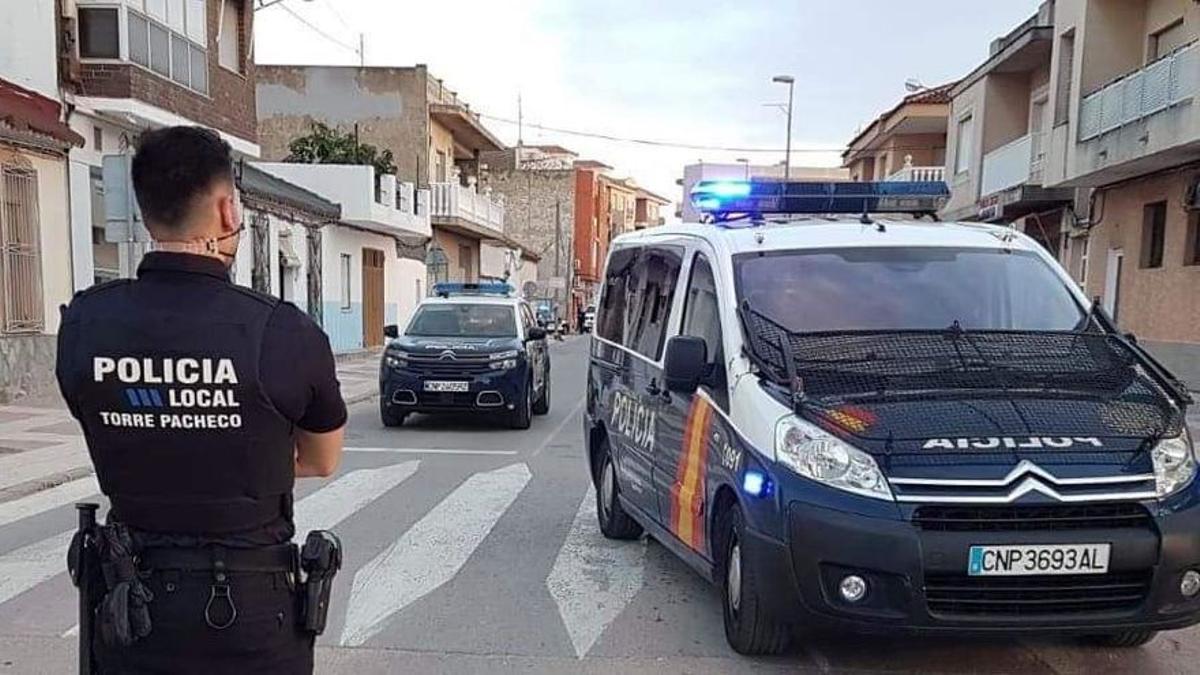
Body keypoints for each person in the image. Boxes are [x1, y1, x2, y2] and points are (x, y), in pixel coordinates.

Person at [56, 126, 347, 674]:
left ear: (145, 216)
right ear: (227, 210)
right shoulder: (282, 331)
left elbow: (103, 422)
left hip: (131, 608)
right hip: (251, 613)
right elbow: (321, 459)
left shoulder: (86, 323)